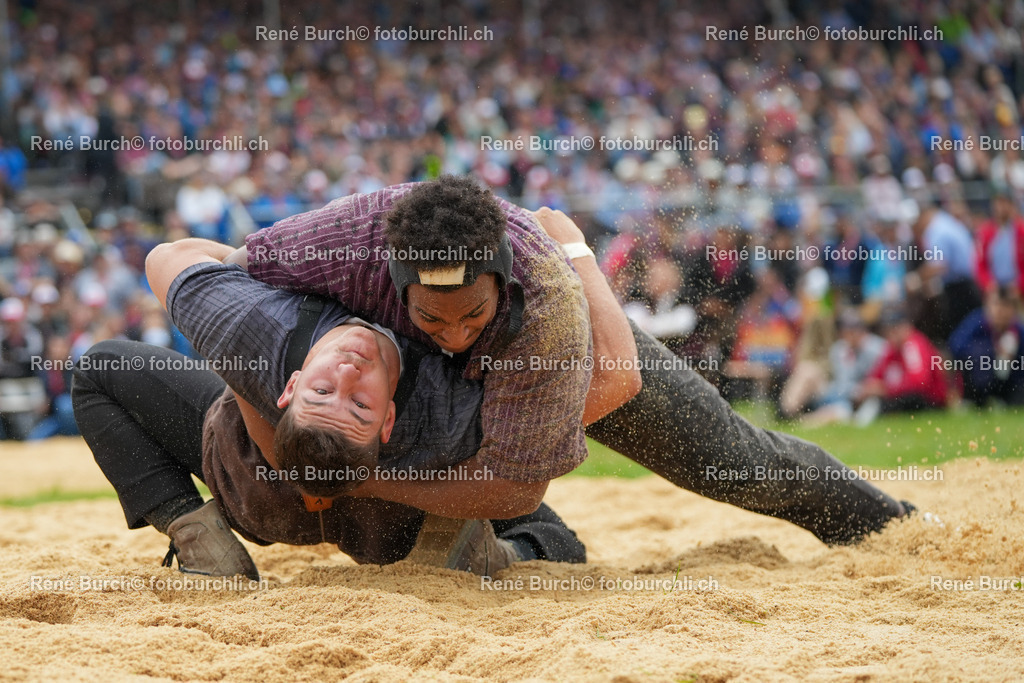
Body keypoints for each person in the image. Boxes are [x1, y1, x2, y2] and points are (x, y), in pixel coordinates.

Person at [232, 175, 914, 546]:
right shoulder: (341, 238)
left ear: (502, 281)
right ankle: (538, 548)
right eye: (432, 317)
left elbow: (617, 378)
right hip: (444, 401)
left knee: (732, 460)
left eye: (474, 316)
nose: (457, 335)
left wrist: (509, 440)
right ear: (392, 278)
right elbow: (217, 274)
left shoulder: (547, 296)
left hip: (579, 369)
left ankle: (896, 526)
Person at [73, 223, 596, 579]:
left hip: (253, 495)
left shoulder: (252, 327)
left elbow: (170, 254)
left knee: (101, 366)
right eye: (334, 393)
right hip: (391, 526)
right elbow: (520, 473)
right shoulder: (452, 402)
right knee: (550, 535)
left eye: (329, 391)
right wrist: (574, 256)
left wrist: (246, 264)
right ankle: (495, 557)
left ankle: (197, 537)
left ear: (290, 386)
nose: (347, 369)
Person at [853, 309, 948, 425]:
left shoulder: (913, 345)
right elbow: (877, 373)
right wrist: (869, 387)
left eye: (894, 330)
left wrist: (886, 389)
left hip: (930, 401)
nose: (890, 335)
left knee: (906, 399)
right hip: (903, 395)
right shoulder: (893, 348)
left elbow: (919, 383)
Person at [949, 286, 1024, 406]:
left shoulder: (1017, 330)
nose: (1000, 311)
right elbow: (955, 346)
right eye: (996, 305)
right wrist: (992, 350)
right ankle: (977, 400)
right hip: (978, 378)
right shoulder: (976, 323)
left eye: (1005, 306)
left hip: (1010, 381)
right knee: (981, 353)